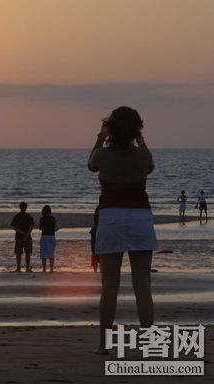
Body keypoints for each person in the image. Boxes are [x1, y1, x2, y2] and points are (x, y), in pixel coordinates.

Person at [88, 106, 158, 354]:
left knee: (110, 285)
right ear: (136, 129)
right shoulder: (142, 156)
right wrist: (140, 139)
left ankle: (104, 344)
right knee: (142, 284)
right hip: (139, 217)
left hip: (111, 217)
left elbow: (91, 165)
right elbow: (149, 167)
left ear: (111, 128)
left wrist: (100, 136)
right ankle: (149, 342)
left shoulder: (103, 155)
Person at [10, 202, 34, 272]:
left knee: (18, 253)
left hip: (19, 237)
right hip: (27, 237)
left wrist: (21, 232)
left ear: (20, 208)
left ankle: (18, 268)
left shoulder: (17, 216)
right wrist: (26, 234)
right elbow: (31, 227)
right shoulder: (29, 216)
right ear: (26, 208)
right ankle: (27, 268)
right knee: (27, 253)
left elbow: (14, 227)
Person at [39, 205, 58, 272]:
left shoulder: (42, 219)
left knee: (44, 253)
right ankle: (51, 269)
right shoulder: (53, 218)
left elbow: (40, 228)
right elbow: (55, 228)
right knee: (51, 253)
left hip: (44, 236)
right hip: (52, 236)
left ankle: (44, 269)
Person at [89, 206, 100, 272]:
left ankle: (95, 271)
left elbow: (92, 237)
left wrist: (92, 246)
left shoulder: (95, 226)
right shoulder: (96, 226)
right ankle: (96, 271)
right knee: (98, 259)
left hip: (96, 245)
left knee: (96, 260)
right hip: (98, 245)